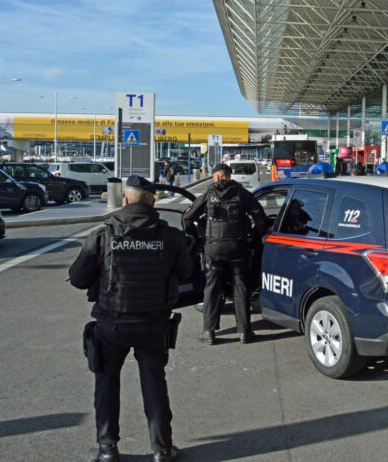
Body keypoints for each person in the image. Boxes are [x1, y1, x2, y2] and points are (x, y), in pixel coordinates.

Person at [69, 175, 192, 462]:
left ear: (125, 200)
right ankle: (162, 450)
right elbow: (187, 274)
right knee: (154, 385)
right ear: (153, 201)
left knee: (106, 384)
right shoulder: (171, 235)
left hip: (111, 324)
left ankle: (107, 449)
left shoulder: (102, 234)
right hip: (153, 324)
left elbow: (77, 278)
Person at [182, 163, 268, 345]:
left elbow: (187, 218)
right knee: (241, 287)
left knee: (212, 288)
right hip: (238, 247)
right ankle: (245, 332)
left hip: (213, 248)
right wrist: (253, 236)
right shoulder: (242, 194)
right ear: (229, 176)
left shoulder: (209, 194)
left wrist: (198, 237)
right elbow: (260, 218)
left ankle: (209, 332)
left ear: (218, 177)